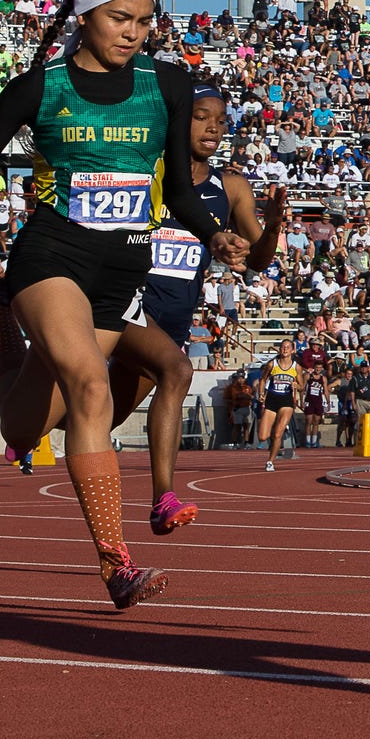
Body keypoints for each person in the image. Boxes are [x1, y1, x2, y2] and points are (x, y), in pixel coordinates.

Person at [0, 0, 240, 610]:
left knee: (23, 431)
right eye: (118, 18)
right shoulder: (39, 89)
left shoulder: (168, 84)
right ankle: (117, 564)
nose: (133, 33)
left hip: (121, 268)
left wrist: (213, 235)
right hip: (52, 255)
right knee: (92, 385)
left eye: (143, 20)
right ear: (84, 16)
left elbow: (182, 193)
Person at [110, 85, 282, 532]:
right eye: (201, 116)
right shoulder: (146, 173)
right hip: (124, 305)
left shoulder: (231, 187)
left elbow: (258, 262)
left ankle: (21, 410)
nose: (213, 127)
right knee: (179, 371)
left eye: (221, 120)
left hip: (172, 321)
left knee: (86, 419)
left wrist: (274, 224)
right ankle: (162, 499)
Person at [258, 352, 301, 471]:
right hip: (272, 400)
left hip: (286, 402)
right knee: (262, 437)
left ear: (292, 350)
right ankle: (273, 433)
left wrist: (297, 385)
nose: (285, 349)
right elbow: (262, 380)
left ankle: (270, 461)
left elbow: (302, 386)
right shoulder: (272, 364)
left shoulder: (296, 367)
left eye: (288, 347)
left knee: (278, 434)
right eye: (283, 346)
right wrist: (261, 394)